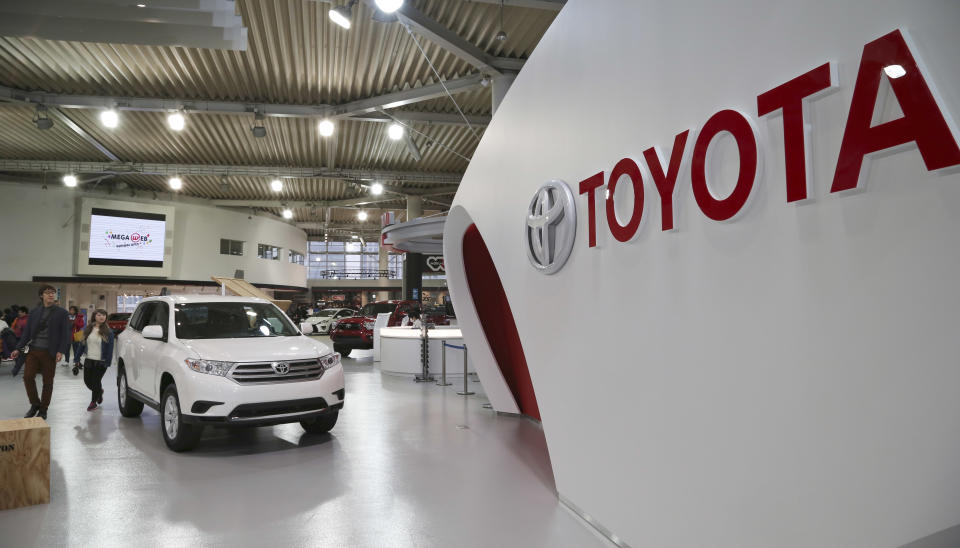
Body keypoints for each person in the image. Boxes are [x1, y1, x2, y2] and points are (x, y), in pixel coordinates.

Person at [10, 285, 71, 420]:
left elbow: (65, 334)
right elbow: (26, 334)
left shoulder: (62, 313)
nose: (51, 295)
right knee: (27, 377)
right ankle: (35, 404)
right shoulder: (34, 312)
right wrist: (17, 348)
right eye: (47, 293)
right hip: (33, 351)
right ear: (41, 296)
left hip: (50, 352)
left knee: (48, 381)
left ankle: (43, 409)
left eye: (53, 293)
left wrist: (61, 351)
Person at [75, 309, 114, 411]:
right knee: (88, 381)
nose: (102, 317)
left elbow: (110, 349)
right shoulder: (88, 329)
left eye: (104, 315)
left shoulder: (108, 332)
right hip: (89, 359)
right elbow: (81, 345)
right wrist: (77, 358)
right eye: (99, 315)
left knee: (96, 381)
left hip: (101, 361)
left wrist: (107, 362)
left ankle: (93, 402)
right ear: (94, 316)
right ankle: (99, 392)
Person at [9, 307, 28, 376]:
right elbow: (13, 327)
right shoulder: (17, 319)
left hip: (26, 340)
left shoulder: (28, 319)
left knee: (25, 353)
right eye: (19, 312)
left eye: (20, 312)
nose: (19, 313)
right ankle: (17, 367)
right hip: (17, 338)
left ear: (24, 312)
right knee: (17, 353)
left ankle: (26, 367)